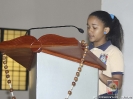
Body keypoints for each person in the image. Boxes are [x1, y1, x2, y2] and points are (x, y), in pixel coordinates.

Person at [87, 10, 124, 99]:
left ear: (105, 30)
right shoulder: (85, 50)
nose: (90, 31)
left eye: (94, 28)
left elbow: (117, 85)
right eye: (88, 27)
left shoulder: (113, 52)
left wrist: (100, 75)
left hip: (106, 96)